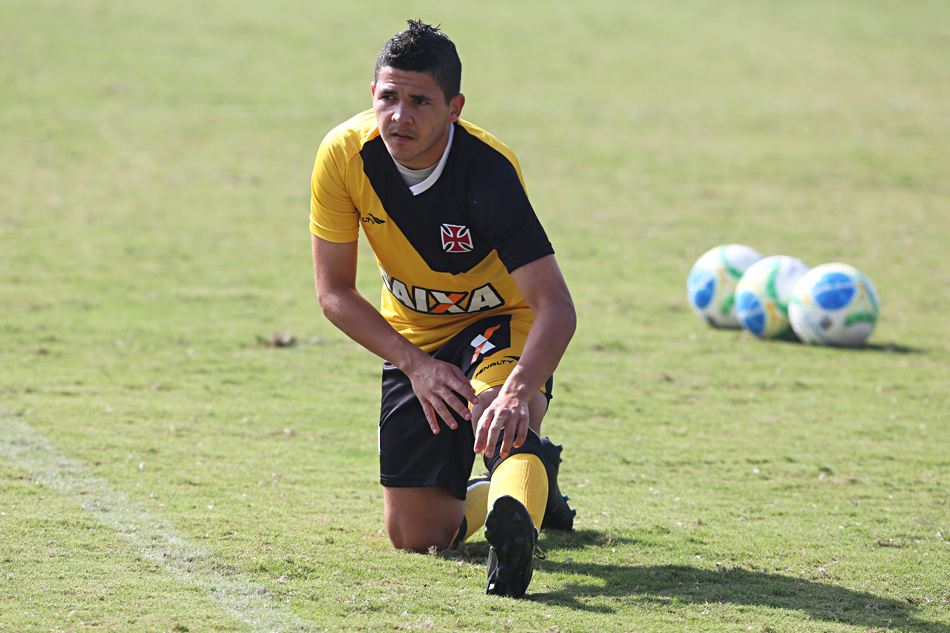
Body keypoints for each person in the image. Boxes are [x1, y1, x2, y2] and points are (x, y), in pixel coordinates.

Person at [309, 20, 576, 598]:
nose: (400, 115)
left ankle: (519, 522)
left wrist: (514, 392)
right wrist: (416, 364)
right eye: (388, 96)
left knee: (501, 417)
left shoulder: (489, 172)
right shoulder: (343, 157)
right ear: (371, 94)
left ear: (453, 107)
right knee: (417, 535)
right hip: (415, 337)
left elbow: (555, 305)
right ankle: (535, 477)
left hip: (500, 321)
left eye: (420, 101)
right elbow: (333, 292)